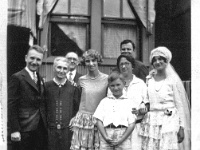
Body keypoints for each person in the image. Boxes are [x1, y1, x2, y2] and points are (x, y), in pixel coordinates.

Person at [139, 47, 191, 150]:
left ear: (166, 61)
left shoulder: (172, 80)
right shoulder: (149, 79)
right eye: (154, 60)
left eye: (160, 59)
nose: (157, 62)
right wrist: (143, 105)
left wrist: (181, 127)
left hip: (169, 120)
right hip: (152, 121)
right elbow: (146, 99)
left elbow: (179, 105)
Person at [8, 45, 47, 150]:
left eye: (38, 59)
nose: (34, 62)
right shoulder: (17, 77)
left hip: (39, 128)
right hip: (23, 128)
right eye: (32, 58)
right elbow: (11, 106)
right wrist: (14, 130)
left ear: (41, 61)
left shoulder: (40, 78)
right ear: (26, 58)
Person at [70, 49, 108, 150]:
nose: (91, 64)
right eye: (87, 61)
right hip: (83, 120)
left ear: (98, 61)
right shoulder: (81, 80)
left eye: (93, 60)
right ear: (84, 63)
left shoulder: (106, 79)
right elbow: (78, 101)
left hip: (99, 120)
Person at [93, 71, 136, 150]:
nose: (115, 88)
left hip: (123, 135)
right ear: (109, 87)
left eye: (118, 85)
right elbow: (99, 121)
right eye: (112, 86)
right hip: (107, 134)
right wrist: (105, 137)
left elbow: (132, 124)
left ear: (124, 84)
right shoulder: (104, 101)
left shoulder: (129, 102)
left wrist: (121, 139)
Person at [45, 57, 81, 150]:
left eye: (65, 68)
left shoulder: (73, 88)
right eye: (59, 67)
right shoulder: (46, 86)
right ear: (54, 68)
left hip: (67, 131)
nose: (61, 71)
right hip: (50, 131)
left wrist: (74, 119)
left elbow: (77, 108)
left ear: (68, 70)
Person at [116, 54, 149, 150]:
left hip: (136, 128)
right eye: (121, 64)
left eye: (127, 63)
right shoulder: (114, 84)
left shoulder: (140, 84)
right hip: (119, 128)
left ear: (133, 66)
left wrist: (142, 109)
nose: (123, 66)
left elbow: (147, 103)